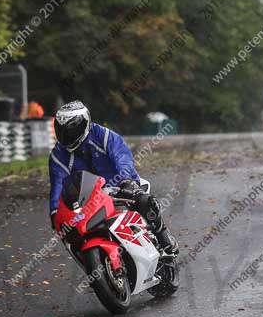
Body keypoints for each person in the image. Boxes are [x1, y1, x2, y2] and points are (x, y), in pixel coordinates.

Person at [48, 101, 179, 255]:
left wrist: (126, 181)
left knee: (144, 201)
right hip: (88, 198)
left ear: (84, 124)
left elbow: (122, 158)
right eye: (61, 131)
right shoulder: (58, 155)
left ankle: (162, 234)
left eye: (70, 131)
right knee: (70, 233)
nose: (66, 136)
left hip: (121, 187)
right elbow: (57, 184)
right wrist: (55, 212)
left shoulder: (104, 136)